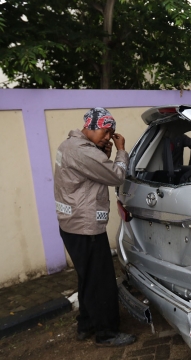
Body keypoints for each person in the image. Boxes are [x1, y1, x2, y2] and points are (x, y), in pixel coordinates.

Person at [54, 107, 136, 347]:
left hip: (72, 224)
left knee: (87, 279)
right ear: (90, 126)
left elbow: (94, 173)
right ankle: (106, 333)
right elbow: (116, 176)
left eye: (111, 133)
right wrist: (121, 152)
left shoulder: (69, 146)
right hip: (85, 226)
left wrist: (103, 151)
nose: (108, 136)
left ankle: (86, 324)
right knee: (101, 282)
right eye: (105, 131)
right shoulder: (82, 152)